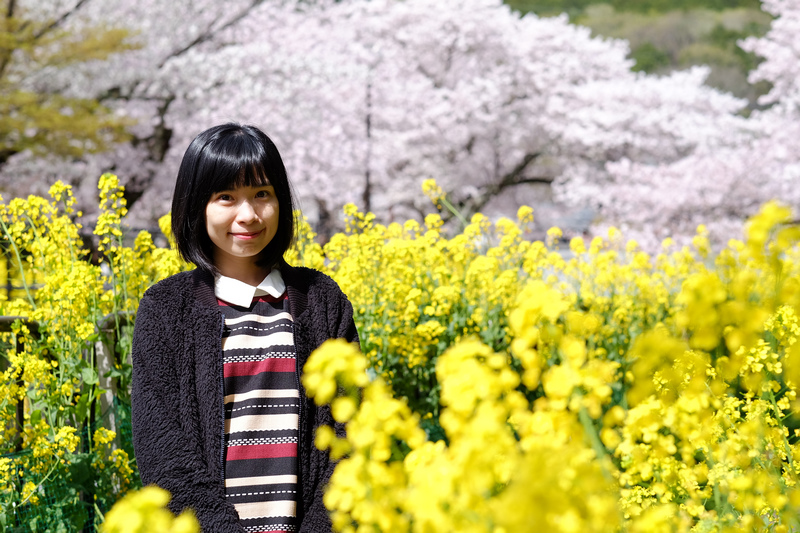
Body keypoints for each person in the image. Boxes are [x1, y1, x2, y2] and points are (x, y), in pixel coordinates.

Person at [131, 123, 358, 533]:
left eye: (262, 194)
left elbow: (352, 432)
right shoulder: (166, 310)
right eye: (225, 198)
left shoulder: (322, 301)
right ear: (195, 205)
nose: (248, 215)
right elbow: (163, 452)